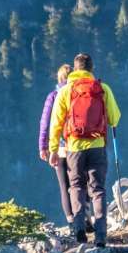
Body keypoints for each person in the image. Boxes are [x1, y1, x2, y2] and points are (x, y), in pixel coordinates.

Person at [48, 53, 121, 247]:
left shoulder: (66, 91)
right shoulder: (102, 88)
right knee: (97, 189)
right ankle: (100, 235)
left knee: (76, 186)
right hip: (97, 146)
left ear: (75, 68)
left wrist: (53, 149)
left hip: (74, 147)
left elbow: (55, 123)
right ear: (91, 68)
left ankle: (79, 230)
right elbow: (114, 118)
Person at [38, 64, 74, 225]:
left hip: (58, 148)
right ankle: (84, 215)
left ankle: (71, 220)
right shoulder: (78, 94)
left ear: (58, 79)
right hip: (77, 145)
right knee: (79, 183)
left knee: (64, 185)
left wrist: (43, 146)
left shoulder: (53, 96)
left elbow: (45, 123)